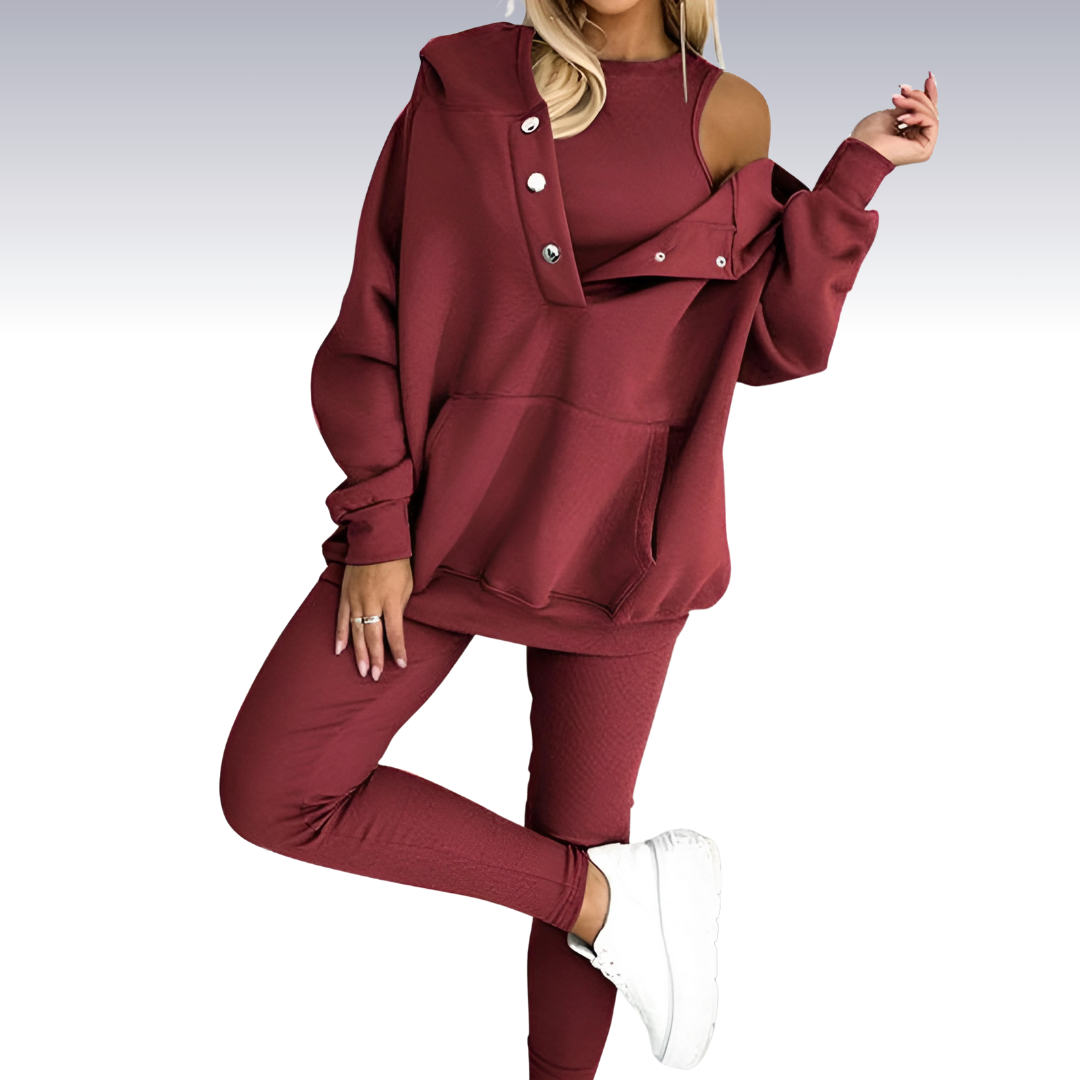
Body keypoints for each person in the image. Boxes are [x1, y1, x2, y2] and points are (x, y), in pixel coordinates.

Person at [218, 1, 939, 1075]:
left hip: (624, 538)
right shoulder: (465, 81)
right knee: (277, 791)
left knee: (581, 834)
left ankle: (592, 942)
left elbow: (770, 343)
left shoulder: (725, 113)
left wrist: (854, 177)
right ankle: (607, 901)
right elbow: (378, 302)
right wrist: (376, 523)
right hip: (437, 521)